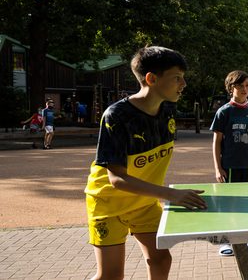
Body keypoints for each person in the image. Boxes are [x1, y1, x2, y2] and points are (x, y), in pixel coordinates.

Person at [84, 46, 207, 280]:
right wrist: (172, 195)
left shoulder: (168, 110)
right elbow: (117, 179)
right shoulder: (116, 116)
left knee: (161, 259)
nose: (184, 84)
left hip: (144, 203)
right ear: (151, 79)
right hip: (107, 204)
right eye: (177, 78)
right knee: (111, 276)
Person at [210, 70, 248, 256]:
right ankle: (226, 242)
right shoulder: (224, 112)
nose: (244, 89)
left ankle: (247, 238)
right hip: (230, 167)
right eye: (240, 85)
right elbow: (216, 142)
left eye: (247, 85)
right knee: (229, 204)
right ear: (230, 88)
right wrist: (218, 168)